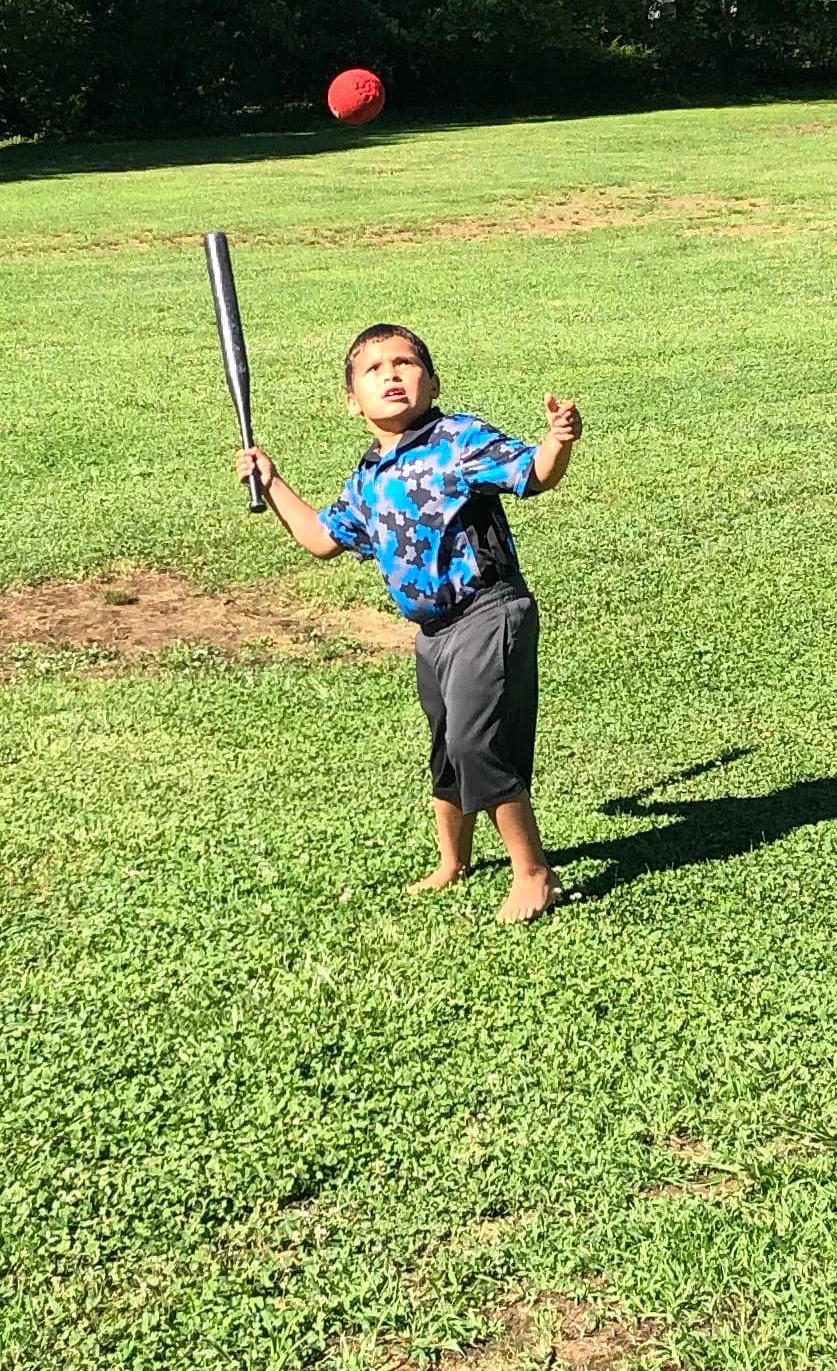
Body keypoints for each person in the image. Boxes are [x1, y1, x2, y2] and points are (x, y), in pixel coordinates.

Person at [238, 323, 583, 924]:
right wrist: (271, 483)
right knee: (448, 750)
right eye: (374, 370)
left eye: (404, 363)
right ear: (352, 401)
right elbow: (322, 538)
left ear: (433, 382)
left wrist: (557, 440)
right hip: (432, 632)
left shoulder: (458, 439)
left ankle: (533, 873)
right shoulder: (368, 480)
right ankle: (454, 861)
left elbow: (533, 474)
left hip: (488, 610)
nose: (391, 375)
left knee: (478, 742)